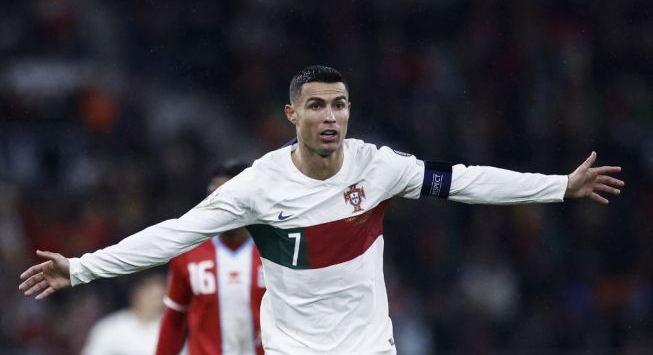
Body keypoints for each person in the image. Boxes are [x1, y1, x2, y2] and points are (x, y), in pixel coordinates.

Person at [20, 65, 624, 355]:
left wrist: (557, 186)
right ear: (293, 116)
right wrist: (81, 268)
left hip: (368, 346)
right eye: (316, 106)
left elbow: (464, 181)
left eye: (339, 104)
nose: (330, 116)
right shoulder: (257, 186)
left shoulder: (378, 166)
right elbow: (173, 235)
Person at [156, 161, 265, 355]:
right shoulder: (188, 252)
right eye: (213, 196)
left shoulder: (275, 250)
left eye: (227, 197)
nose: (219, 205)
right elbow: (174, 319)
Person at [81, 272, 166, 355]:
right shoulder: (110, 328)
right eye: (151, 295)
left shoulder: (173, 330)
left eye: (159, 297)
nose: (155, 302)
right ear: (136, 294)